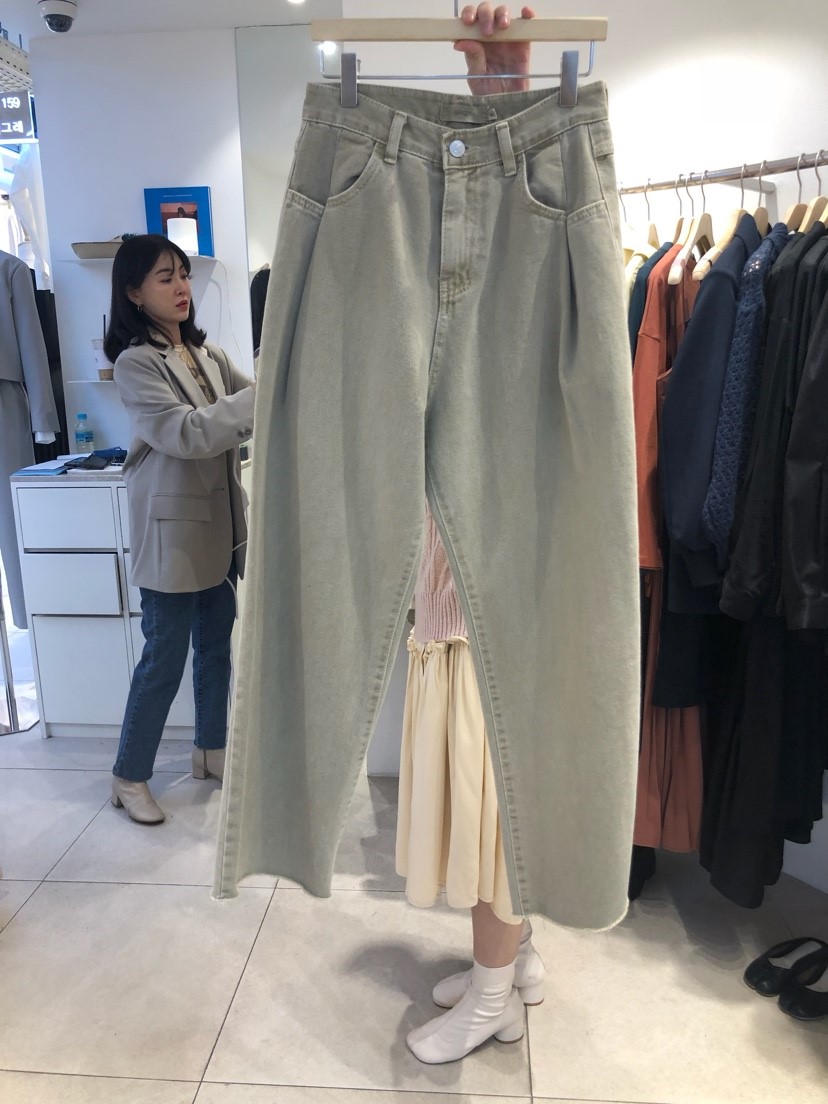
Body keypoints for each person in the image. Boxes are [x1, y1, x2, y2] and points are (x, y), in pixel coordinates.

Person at [397, 3, 548, 1065]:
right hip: (459, 607)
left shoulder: (500, 343)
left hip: (474, 615)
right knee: (495, 801)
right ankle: (516, 963)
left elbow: (507, 259)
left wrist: (507, 97)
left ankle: (496, 992)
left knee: (491, 812)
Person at [104, 234, 255, 825]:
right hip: (171, 531)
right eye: (165, 277)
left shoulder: (207, 355)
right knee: (163, 656)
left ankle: (210, 751)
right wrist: (263, 395)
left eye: (184, 274)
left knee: (216, 645)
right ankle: (128, 775)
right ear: (134, 293)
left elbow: (253, 401)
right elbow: (186, 432)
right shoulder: (135, 363)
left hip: (218, 526)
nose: (181, 287)